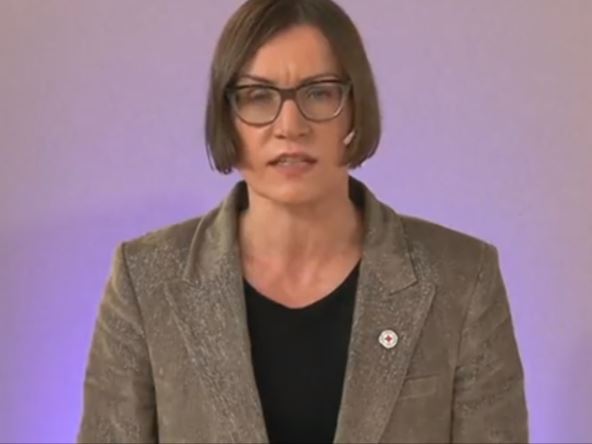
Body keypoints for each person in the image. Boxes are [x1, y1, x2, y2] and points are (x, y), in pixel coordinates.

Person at [77, 0, 529, 442]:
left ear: (355, 109)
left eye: (319, 93)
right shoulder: (146, 279)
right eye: (258, 96)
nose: (290, 126)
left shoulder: (462, 278)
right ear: (227, 117)